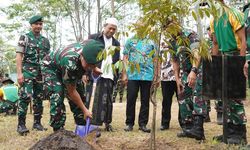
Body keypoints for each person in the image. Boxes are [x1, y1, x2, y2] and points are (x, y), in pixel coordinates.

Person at [41, 39, 104, 132]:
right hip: (51, 68)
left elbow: (92, 55)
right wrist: (85, 110)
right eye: (89, 64)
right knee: (58, 94)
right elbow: (71, 92)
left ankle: (81, 125)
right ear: (82, 56)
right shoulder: (71, 64)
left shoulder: (89, 47)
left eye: (93, 64)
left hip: (68, 65)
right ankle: (58, 129)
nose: (90, 68)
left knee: (80, 94)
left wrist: (94, 67)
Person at [211, 0, 248, 145]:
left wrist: (241, 62)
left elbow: (243, 40)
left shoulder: (233, 13)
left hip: (235, 55)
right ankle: (228, 131)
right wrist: (215, 65)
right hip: (222, 57)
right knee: (225, 97)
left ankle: (240, 135)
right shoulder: (213, 18)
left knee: (235, 97)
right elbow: (215, 43)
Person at [16, 15, 50, 135]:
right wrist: (19, 74)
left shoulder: (45, 40)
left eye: (40, 24)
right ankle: (21, 124)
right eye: (36, 24)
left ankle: (37, 123)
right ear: (31, 25)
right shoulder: (24, 37)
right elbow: (19, 56)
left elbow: (48, 58)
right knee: (25, 97)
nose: (39, 26)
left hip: (41, 74)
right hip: (28, 72)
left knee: (39, 98)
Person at [85, 17, 120, 132]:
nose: (111, 31)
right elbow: (86, 54)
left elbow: (117, 60)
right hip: (95, 72)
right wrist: (86, 73)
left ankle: (107, 123)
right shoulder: (94, 37)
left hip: (110, 74)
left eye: (114, 29)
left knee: (108, 100)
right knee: (93, 98)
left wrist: (117, 75)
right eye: (110, 28)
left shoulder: (116, 43)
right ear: (104, 26)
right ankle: (91, 123)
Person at [122, 21, 157, 133]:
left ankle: (143, 124)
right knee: (131, 99)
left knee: (145, 100)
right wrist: (124, 74)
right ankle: (129, 123)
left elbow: (156, 59)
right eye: (139, 27)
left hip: (147, 76)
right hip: (133, 75)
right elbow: (125, 58)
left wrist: (156, 75)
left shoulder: (152, 42)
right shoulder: (130, 41)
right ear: (135, 28)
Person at [172, 29, 207, 140]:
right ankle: (188, 128)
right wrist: (177, 79)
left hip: (197, 69)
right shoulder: (172, 41)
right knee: (183, 98)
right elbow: (175, 61)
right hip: (185, 71)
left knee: (197, 97)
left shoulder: (189, 35)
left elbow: (197, 53)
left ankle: (199, 131)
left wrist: (194, 70)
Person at [159, 42, 178, 130]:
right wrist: (157, 75)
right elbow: (158, 60)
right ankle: (165, 123)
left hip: (179, 77)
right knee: (166, 101)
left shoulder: (179, 41)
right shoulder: (161, 42)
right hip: (165, 76)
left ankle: (184, 123)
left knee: (182, 101)